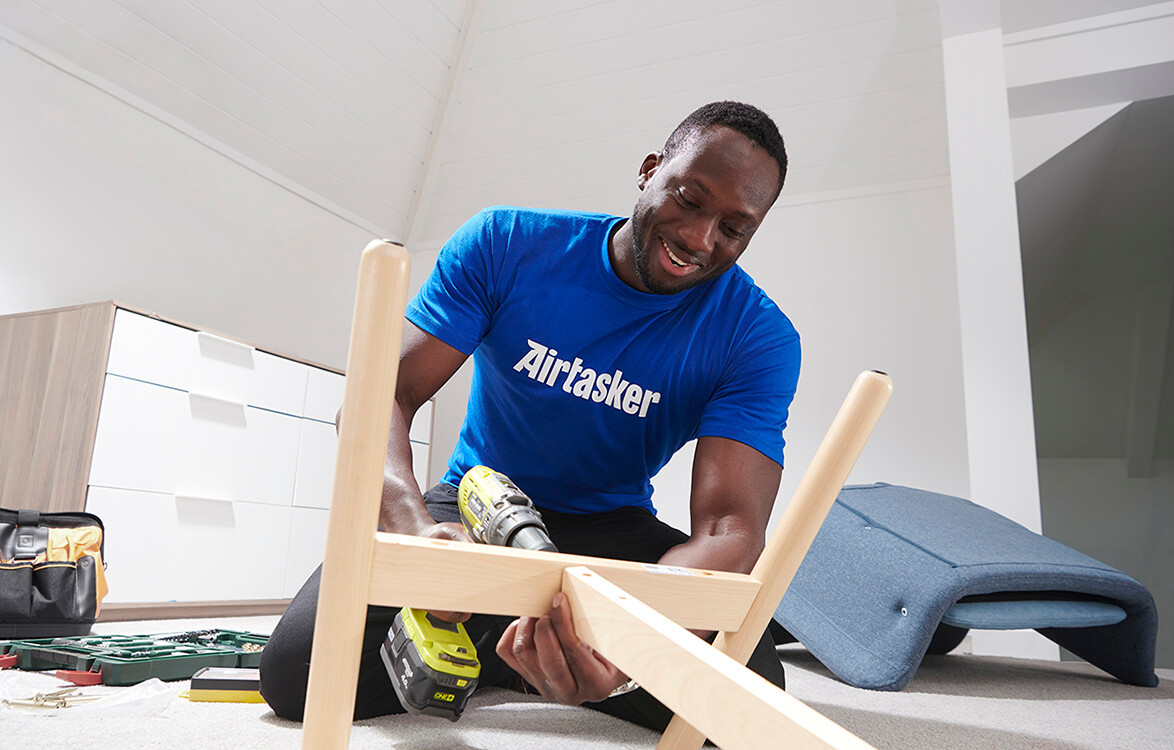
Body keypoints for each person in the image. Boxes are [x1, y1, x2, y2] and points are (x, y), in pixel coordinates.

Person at [260, 101, 801, 731]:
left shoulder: (757, 336)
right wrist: (412, 531)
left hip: (613, 530)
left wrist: (625, 642)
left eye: (734, 228)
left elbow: (732, 527)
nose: (699, 238)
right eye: (689, 198)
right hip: (476, 505)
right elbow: (382, 394)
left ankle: (523, 649)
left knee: (749, 698)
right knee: (298, 672)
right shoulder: (507, 243)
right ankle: (518, 645)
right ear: (650, 170)